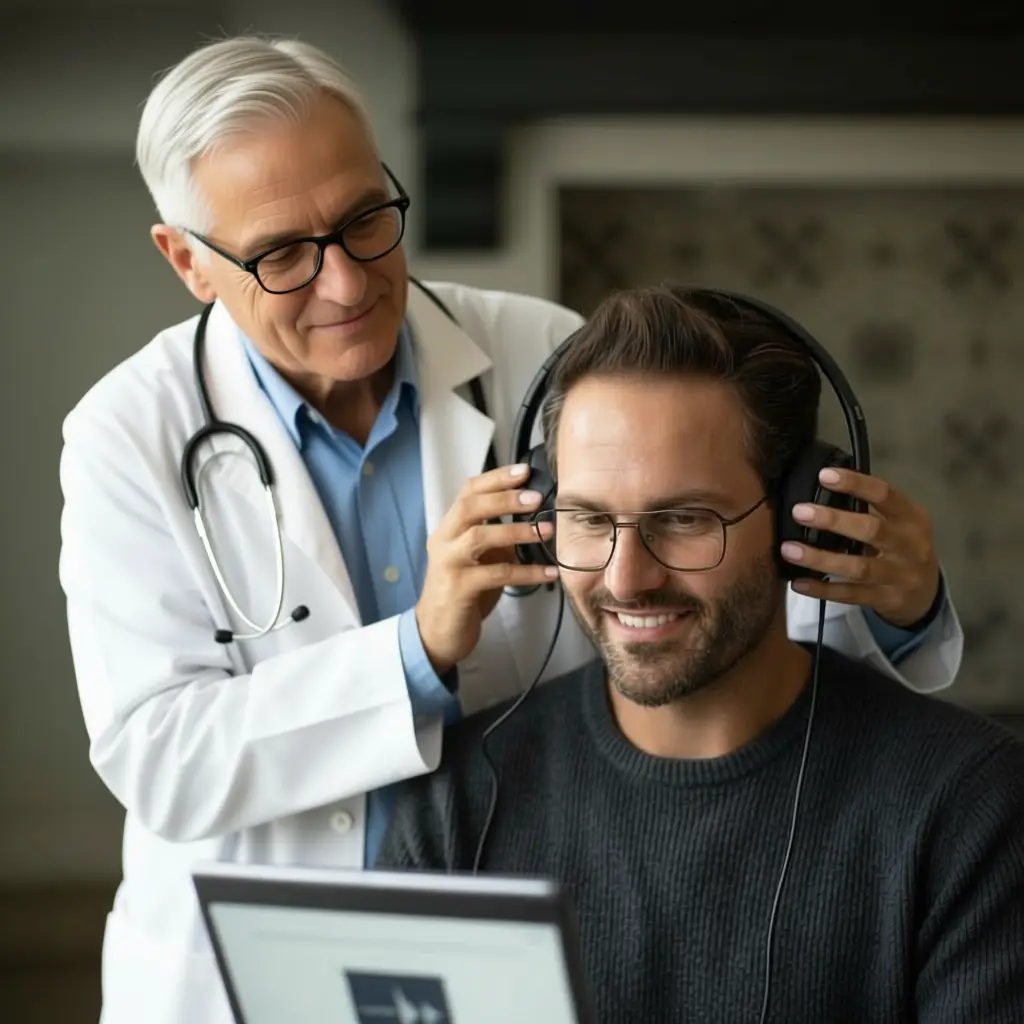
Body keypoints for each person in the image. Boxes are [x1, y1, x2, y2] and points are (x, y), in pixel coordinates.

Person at [56, 36, 963, 1024]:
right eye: (281, 256)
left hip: (521, 922)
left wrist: (894, 604)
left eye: (366, 220)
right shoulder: (127, 437)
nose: (348, 283)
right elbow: (162, 762)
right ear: (187, 260)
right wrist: (419, 649)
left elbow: (713, 620)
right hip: (251, 975)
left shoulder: (543, 354)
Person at [377, 285, 1024, 1024]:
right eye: (588, 518)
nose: (627, 579)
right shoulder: (458, 807)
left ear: (804, 522)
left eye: (684, 519)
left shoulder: (969, 808)